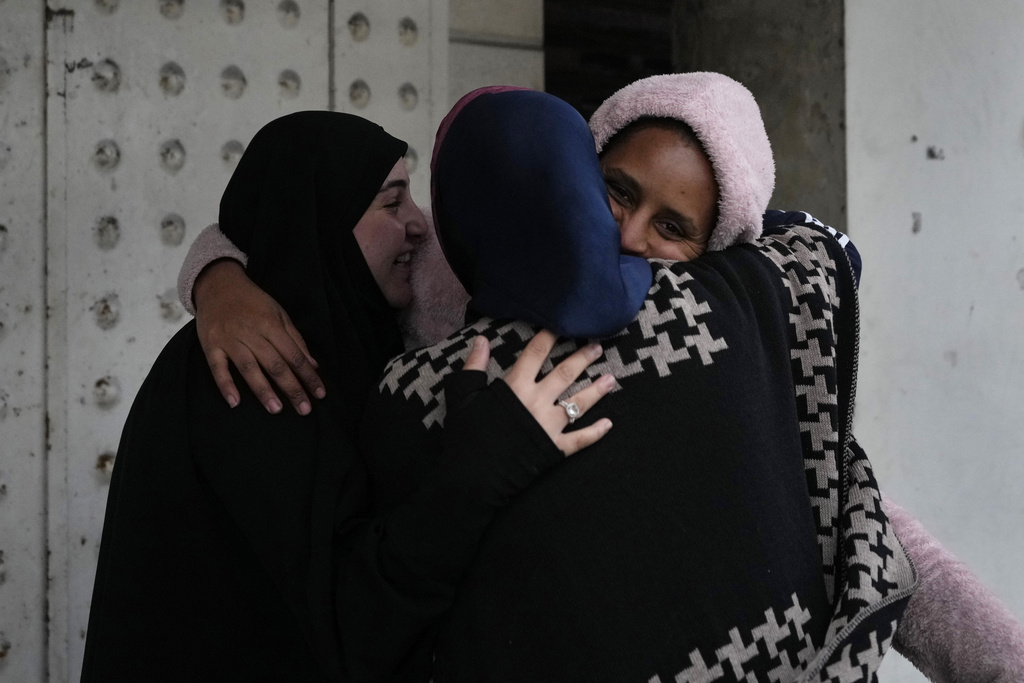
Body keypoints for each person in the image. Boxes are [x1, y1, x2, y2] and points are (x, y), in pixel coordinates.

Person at [178, 78, 1024, 680]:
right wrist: (218, 279)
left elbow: (850, 501)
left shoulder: (720, 343)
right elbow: (305, 242)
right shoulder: (465, 272)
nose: (627, 236)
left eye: (672, 226)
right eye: (614, 192)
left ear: (715, 247)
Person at [80, 111, 617, 682]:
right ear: (319, 224)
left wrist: (215, 274)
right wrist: (478, 474)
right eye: (391, 203)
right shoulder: (256, 373)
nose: (420, 226)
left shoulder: (347, 340)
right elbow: (350, 625)